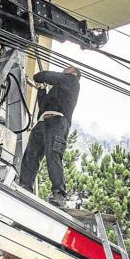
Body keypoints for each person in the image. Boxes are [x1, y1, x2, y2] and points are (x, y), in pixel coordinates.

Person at [19, 66, 81, 207]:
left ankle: (59, 194)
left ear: (75, 73)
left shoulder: (72, 81)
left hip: (57, 121)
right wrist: (41, 90)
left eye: (68, 68)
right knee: (31, 155)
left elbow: (41, 76)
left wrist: (39, 79)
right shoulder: (60, 88)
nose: (65, 68)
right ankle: (25, 187)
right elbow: (43, 106)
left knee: (53, 155)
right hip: (43, 121)